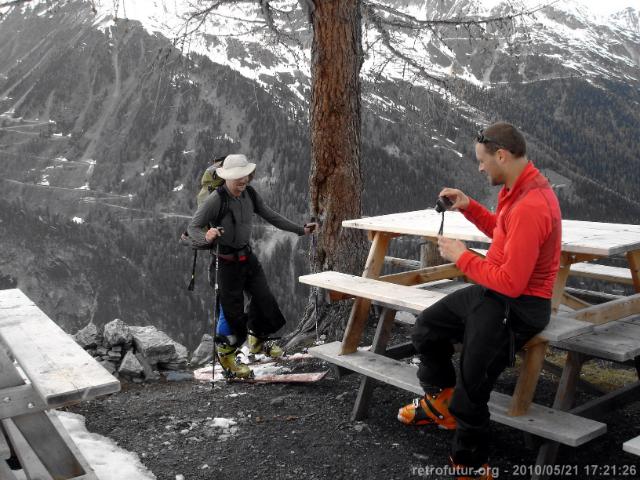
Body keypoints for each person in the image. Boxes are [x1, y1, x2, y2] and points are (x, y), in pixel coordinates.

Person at [397, 122, 562, 479]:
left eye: (482, 160)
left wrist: (462, 256)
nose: (480, 167)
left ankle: (470, 465)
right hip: (493, 289)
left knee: (473, 379)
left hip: (519, 305)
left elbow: (513, 284)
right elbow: (503, 235)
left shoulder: (531, 205)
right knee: (427, 329)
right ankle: (442, 403)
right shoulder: (517, 189)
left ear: (501, 155)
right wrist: (469, 206)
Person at [188, 154, 316, 378]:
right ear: (226, 177)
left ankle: (257, 340)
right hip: (225, 263)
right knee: (232, 312)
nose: (243, 180)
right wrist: (207, 235)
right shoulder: (216, 200)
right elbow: (192, 228)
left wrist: (300, 230)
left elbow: (270, 215)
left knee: (264, 298)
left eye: (245, 175)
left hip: (247, 258)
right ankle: (227, 355)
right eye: (237, 177)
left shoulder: (250, 194)